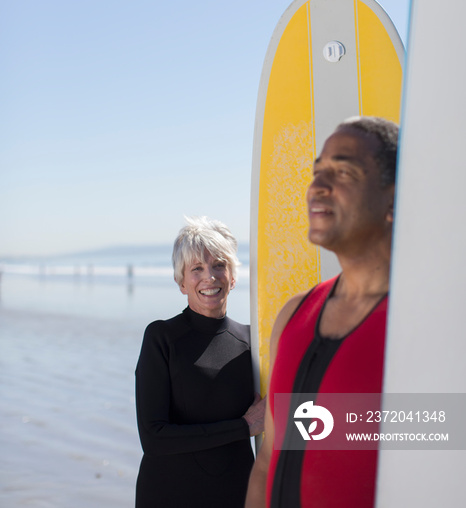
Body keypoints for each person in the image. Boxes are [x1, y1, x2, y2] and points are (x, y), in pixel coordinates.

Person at [245, 116, 399, 508]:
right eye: (317, 172)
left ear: (394, 198)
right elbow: (267, 461)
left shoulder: (422, 323)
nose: (318, 187)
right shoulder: (295, 315)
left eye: (343, 172)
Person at [135, 216, 264, 508]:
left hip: (236, 494)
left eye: (219, 264)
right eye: (197, 268)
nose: (210, 276)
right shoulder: (162, 337)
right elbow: (154, 438)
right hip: (168, 494)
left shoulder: (253, 342)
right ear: (181, 282)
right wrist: (243, 427)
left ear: (233, 277)